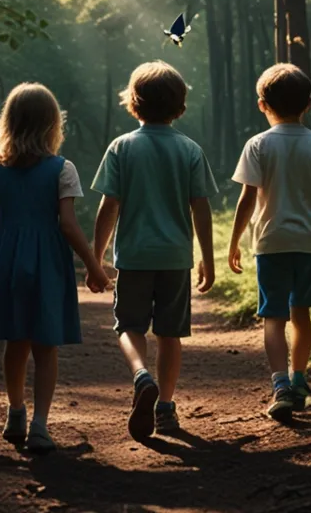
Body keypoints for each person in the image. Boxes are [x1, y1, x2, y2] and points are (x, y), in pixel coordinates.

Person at [0, 83, 110, 454]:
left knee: (16, 342)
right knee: (45, 346)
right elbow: (68, 225)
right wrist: (93, 266)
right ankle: (40, 425)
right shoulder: (63, 169)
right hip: (47, 264)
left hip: (7, 260)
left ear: (8, 123)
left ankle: (15, 413)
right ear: (52, 124)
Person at [91, 61, 218, 441]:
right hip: (175, 259)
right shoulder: (190, 150)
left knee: (128, 327)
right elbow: (201, 207)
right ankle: (165, 406)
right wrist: (207, 259)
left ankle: (140, 376)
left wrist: (96, 258)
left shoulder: (121, 148)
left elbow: (108, 206)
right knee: (169, 334)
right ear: (180, 108)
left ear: (133, 104)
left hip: (132, 258)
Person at [227, 64, 311, 424]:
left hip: (270, 242)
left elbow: (247, 200)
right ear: (308, 104)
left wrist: (234, 242)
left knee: (274, 318)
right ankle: (299, 379)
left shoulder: (258, 145)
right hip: (310, 243)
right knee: (302, 313)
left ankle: (280, 385)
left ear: (262, 104)